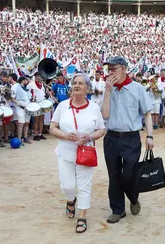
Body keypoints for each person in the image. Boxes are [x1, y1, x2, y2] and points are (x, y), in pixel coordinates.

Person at [49, 73, 106, 233]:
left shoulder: (94, 107)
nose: (77, 85)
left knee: (84, 186)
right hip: (65, 151)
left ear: (87, 87)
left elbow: (101, 129)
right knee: (67, 186)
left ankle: (82, 216)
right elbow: (52, 127)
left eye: (81, 83)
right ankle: (70, 199)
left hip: (86, 152)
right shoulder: (62, 105)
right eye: (74, 83)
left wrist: (89, 136)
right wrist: (65, 135)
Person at [101, 56, 154, 224]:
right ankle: (117, 210)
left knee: (129, 175)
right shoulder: (108, 89)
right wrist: (108, 92)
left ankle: (133, 198)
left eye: (113, 69)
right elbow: (105, 115)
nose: (110, 73)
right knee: (114, 176)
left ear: (123, 69)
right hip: (111, 137)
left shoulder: (138, 89)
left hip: (131, 138)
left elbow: (147, 113)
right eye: (108, 69)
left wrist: (150, 136)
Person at [28, 73, 47, 141]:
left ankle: (40, 134)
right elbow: (27, 92)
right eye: (35, 76)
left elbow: (44, 94)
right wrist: (31, 98)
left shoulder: (42, 85)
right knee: (36, 120)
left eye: (38, 76)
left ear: (41, 77)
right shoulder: (31, 84)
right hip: (36, 104)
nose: (37, 77)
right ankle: (35, 134)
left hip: (42, 104)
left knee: (41, 119)